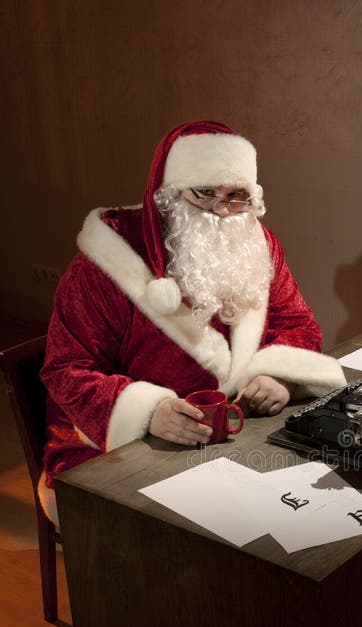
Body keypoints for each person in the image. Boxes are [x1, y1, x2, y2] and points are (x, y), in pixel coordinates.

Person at [39, 120, 346, 524]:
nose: (222, 210)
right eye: (205, 193)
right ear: (169, 194)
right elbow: (66, 370)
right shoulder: (105, 262)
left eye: (236, 196)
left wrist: (279, 376)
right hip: (120, 451)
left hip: (234, 436)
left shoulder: (260, 244)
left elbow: (300, 325)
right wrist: (150, 412)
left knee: (314, 508)